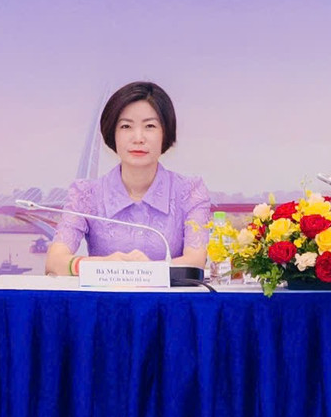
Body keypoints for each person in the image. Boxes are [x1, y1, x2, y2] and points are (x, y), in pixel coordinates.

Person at [45, 81, 211, 274]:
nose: (138, 138)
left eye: (150, 126)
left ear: (165, 133)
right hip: (105, 295)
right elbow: (54, 262)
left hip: (168, 295)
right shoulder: (86, 194)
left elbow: (195, 262)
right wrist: (104, 265)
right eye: (126, 126)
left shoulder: (189, 192)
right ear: (112, 133)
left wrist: (142, 272)